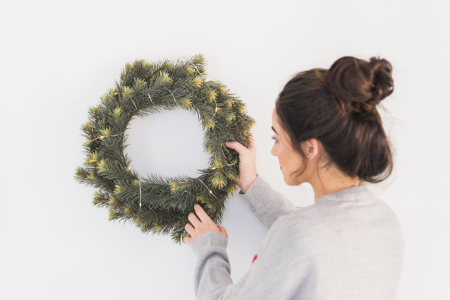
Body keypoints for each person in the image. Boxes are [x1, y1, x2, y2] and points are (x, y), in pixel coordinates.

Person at [183, 56, 404, 300]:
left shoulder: (301, 234)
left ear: (310, 148)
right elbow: (313, 236)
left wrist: (210, 249)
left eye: (276, 138)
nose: (273, 151)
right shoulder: (384, 220)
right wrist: (251, 183)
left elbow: (301, 236)